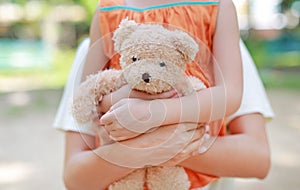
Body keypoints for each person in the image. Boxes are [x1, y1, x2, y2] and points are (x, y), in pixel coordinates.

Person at [53, 0, 274, 189]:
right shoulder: (107, 11)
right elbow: (91, 96)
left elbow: (231, 97)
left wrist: (154, 115)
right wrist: (122, 106)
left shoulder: (217, 9)